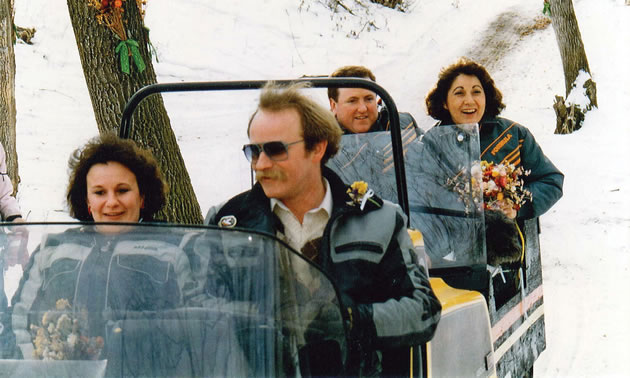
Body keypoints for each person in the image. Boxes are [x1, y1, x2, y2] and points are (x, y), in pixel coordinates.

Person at [206, 82, 441, 375]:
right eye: (253, 151)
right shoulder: (228, 223)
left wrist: (351, 320)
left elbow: (423, 311)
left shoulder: (377, 220)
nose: (261, 164)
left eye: (276, 150)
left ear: (317, 148)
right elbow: (201, 317)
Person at [8, 134, 195, 360]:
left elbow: (201, 331)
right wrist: (40, 368)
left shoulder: (174, 250)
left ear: (142, 197)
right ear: (87, 201)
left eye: (122, 190)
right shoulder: (53, 249)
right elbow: (17, 321)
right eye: (99, 192)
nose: (111, 202)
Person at [425, 57, 564, 220]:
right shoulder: (429, 145)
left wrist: (517, 205)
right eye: (459, 93)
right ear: (444, 102)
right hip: (450, 240)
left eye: (476, 92)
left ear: (486, 97)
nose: (469, 101)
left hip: (506, 239)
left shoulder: (513, 135)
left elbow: (550, 180)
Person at [328, 65, 423, 137]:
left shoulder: (402, 126)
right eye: (352, 101)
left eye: (368, 99)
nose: (362, 109)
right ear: (333, 106)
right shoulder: (321, 142)